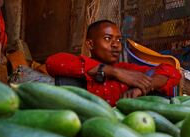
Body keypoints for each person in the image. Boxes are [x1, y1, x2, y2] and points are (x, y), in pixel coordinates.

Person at [45, 20, 182, 106]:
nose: (116, 45)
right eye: (108, 38)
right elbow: (53, 62)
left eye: (118, 40)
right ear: (90, 44)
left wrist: (142, 88)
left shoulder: (128, 69)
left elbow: (171, 72)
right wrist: (114, 72)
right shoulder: (81, 64)